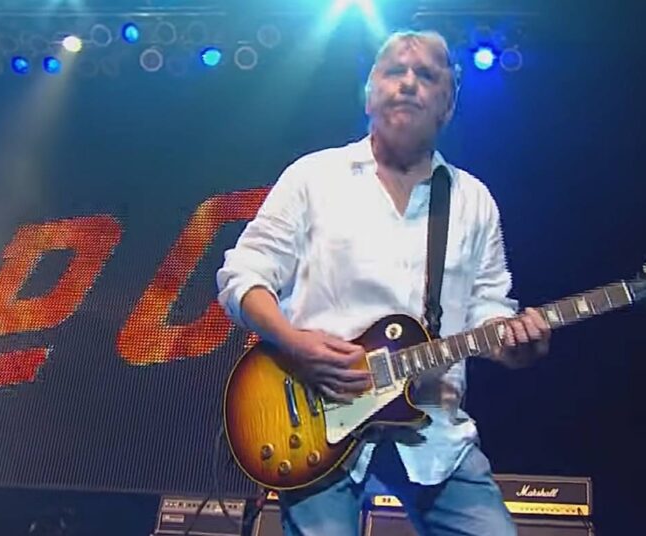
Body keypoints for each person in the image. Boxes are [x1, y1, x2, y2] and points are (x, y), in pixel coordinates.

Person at [217, 29, 551, 536]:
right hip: (315, 416)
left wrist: (516, 346)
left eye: (427, 75)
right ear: (369, 92)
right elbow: (243, 274)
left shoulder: (472, 200)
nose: (409, 83)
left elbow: (488, 308)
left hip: (434, 431)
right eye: (396, 71)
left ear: (448, 104)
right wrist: (294, 343)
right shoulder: (314, 177)